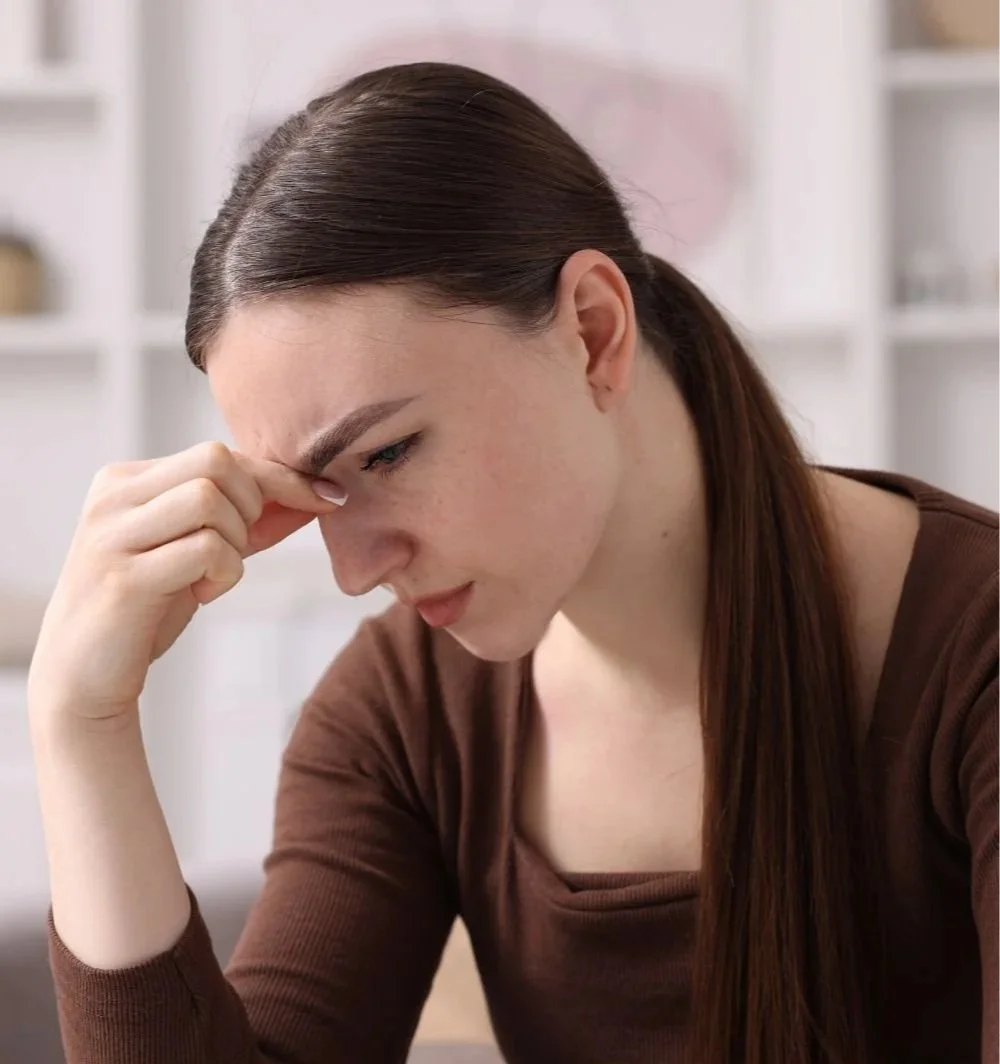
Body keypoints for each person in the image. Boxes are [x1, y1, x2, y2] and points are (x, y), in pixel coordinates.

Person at [27, 61, 997, 1064]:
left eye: (387, 453)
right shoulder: (403, 709)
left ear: (592, 331)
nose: (354, 571)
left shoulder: (974, 651)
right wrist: (79, 723)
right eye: (312, 490)